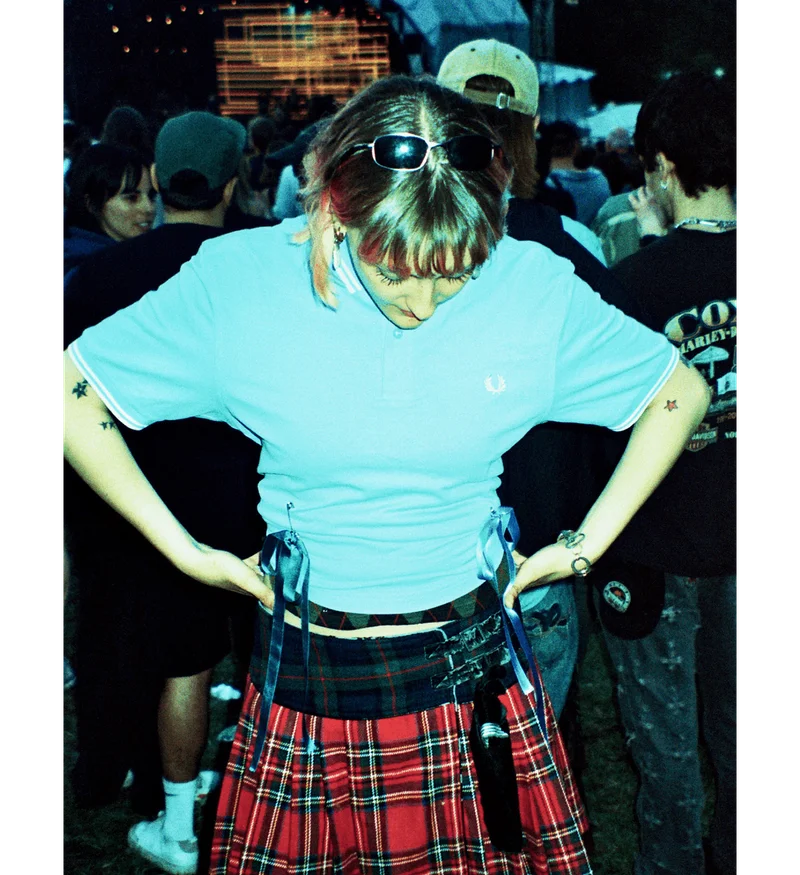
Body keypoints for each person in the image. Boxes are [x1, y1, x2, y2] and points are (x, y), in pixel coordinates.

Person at [58, 75, 709, 875]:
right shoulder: (241, 281)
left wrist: (582, 546)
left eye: (455, 272)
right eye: (396, 270)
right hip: (308, 677)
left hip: (470, 673)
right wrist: (185, 552)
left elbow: (678, 390)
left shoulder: (531, 283)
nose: (424, 301)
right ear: (335, 206)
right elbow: (69, 394)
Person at [62, 111, 263, 874]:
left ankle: (128, 782)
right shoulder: (261, 265)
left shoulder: (102, 275)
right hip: (240, 493)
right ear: (233, 183)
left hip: (127, 493)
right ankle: (237, 779)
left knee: (130, 641)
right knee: (229, 653)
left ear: (155, 179)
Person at [436, 38, 619, 719]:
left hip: (426, 543)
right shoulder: (573, 248)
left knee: (438, 750)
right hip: (539, 540)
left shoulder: (388, 247)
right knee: (535, 742)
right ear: (534, 129)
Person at [597, 70, 741, 875]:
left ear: (659, 166)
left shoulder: (630, 286)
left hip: (656, 546)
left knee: (667, 749)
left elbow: (602, 432)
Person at [60, 144, 155, 286]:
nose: (149, 208)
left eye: (151, 196)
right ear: (92, 204)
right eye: (132, 198)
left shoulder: (140, 253)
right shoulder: (78, 271)